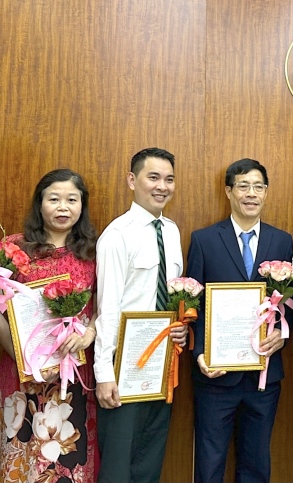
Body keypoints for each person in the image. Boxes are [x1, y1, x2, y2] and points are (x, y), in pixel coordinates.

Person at [186, 158, 293, 483]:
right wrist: (199, 354)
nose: (252, 194)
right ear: (229, 191)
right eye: (244, 186)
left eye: (258, 186)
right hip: (216, 375)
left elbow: (290, 302)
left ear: (266, 192)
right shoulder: (204, 240)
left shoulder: (282, 241)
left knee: (256, 464)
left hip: (263, 375)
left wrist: (282, 334)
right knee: (209, 464)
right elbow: (192, 303)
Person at [94, 147, 187, 483]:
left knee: (150, 456)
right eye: (153, 177)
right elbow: (107, 308)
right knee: (119, 461)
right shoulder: (117, 235)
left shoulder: (172, 231)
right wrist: (103, 372)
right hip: (124, 363)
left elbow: (176, 292)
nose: (162, 186)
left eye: (169, 179)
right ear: (133, 181)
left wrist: (182, 327)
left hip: (164, 361)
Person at [0, 169, 99, 483]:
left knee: (68, 461)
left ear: (82, 206)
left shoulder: (94, 254)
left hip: (73, 375)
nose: (63, 207)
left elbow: (104, 308)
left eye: (72, 200)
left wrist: (90, 333)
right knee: (23, 458)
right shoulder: (13, 251)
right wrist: (22, 356)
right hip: (21, 373)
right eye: (53, 199)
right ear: (39, 203)